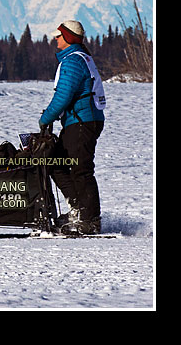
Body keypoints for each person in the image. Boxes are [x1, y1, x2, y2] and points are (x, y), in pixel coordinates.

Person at [39, 20, 106, 235]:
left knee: (80, 168)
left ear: (68, 38)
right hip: (82, 120)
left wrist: (46, 118)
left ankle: (89, 219)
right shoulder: (81, 58)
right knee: (56, 161)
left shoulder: (72, 62)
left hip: (81, 122)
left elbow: (63, 96)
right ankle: (79, 209)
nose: (55, 39)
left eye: (58, 36)